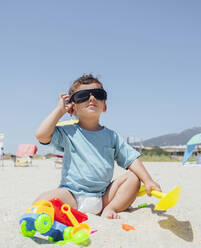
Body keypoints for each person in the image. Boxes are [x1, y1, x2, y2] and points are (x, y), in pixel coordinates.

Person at [35, 74, 161, 219]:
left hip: (103, 197)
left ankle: (111, 209)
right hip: (72, 195)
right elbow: (41, 135)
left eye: (98, 95)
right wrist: (59, 111)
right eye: (83, 96)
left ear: (105, 106)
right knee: (43, 201)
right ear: (71, 108)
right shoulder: (68, 133)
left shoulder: (112, 136)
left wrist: (148, 180)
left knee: (134, 178)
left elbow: (131, 159)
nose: (92, 98)